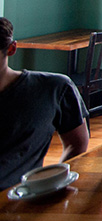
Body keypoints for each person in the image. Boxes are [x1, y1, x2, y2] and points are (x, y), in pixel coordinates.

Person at [0, 17, 89, 189]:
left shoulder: (54, 88)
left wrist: (52, 183)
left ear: (11, 49)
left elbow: (77, 144)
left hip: (20, 198)